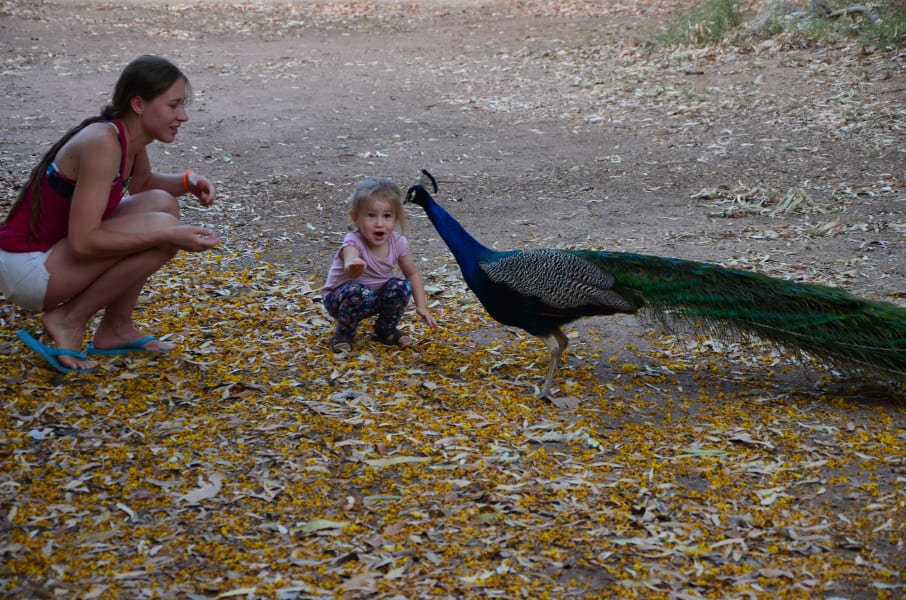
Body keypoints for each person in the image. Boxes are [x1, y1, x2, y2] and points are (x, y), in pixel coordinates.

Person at [0, 55, 221, 374]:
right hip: (28, 268)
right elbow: (83, 243)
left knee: (163, 204)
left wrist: (188, 182)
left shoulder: (126, 136)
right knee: (163, 230)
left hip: (48, 255)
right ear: (139, 104)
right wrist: (167, 236)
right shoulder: (103, 144)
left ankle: (116, 328)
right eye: (173, 105)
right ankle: (68, 320)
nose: (183, 116)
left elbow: (142, 184)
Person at [321, 177, 438, 353]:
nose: (379, 223)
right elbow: (349, 260)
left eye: (387, 216)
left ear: (396, 218)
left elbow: (412, 274)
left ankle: (386, 329)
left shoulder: (398, 242)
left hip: (373, 298)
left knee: (400, 286)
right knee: (358, 292)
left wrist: (421, 306)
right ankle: (344, 333)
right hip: (341, 300)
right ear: (355, 218)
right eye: (371, 215)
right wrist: (353, 266)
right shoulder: (353, 241)